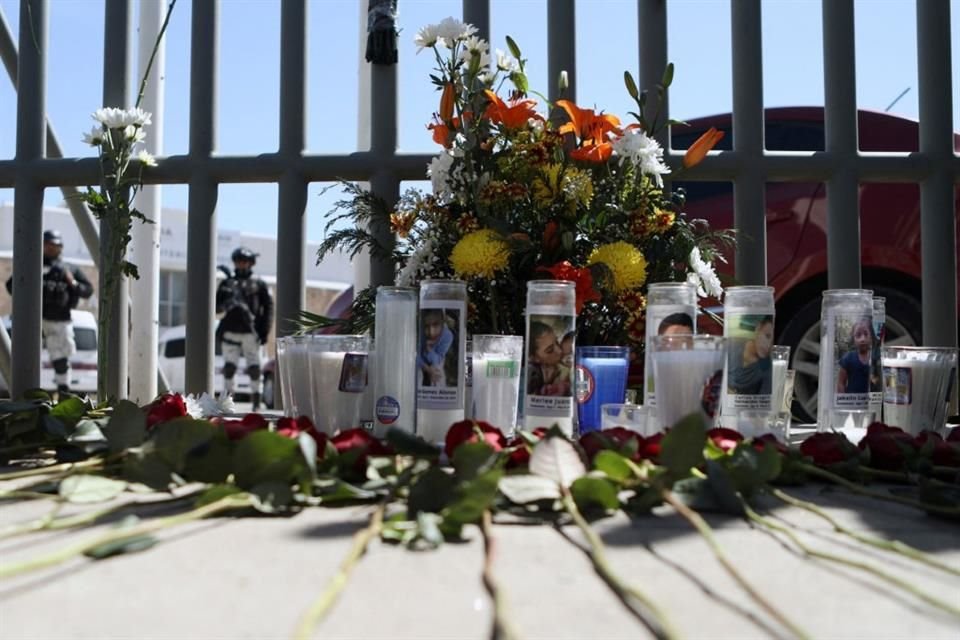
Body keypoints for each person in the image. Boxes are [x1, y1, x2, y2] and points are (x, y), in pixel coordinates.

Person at [4, 230, 94, 394]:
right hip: (32, 319)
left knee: (60, 358)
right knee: (24, 356)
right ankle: (23, 392)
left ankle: (63, 391)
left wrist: (72, 282)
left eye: (55, 246)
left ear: (60, 247)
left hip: (59, 320)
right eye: (48, 245)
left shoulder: (69, 269)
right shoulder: (31, 265)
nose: (51, 249)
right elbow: (11, 287)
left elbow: (87, 290)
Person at [215, 247, 273, 409]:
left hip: (250, 331)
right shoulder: (227, 283)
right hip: (230, 330)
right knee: (229, 367)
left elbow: (268, 308)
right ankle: (227, 402)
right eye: (238, 261)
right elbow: (216, 307)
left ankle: (256, 402)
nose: (241, 264)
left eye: (244, 261)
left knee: (254, 367)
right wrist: (227, 304)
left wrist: (264, 331)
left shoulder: (259, 284)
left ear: (251, 263)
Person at [729, 316, 774, 395]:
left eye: (773, 342)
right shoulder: (732, 346)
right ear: (758, 328)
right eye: (767, 336)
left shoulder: (767, 370)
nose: (768, 345)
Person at [527, 321, 571, 396]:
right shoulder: (531, 373)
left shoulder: (560, 367)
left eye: (557, 342)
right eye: (550, 350)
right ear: (533, 358)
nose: (559, 351)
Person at [418, 308, 454, 387]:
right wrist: (427, 369)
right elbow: (414, 355)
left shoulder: (447, 336)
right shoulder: (419, 331)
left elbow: (439, 358)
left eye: (435, 325)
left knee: (438, 374)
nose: (431, 332)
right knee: (418, 374)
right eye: (426, 326)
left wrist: (429, 350)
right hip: (419, 362)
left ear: (443, 322)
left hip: (435, 360)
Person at [837, 316, 872, 394]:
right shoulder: (848, 358)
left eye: (866, 334)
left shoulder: (875, 358)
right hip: (852, 401)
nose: (863, 339)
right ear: (853, 339)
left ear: (871, 337)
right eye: (858, 335)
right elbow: (841, 383)